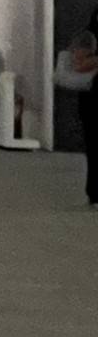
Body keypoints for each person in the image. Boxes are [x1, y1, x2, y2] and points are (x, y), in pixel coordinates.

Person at [72, 10, 98, 206]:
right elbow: (79, 65)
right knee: (93, 146)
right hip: (92, 100)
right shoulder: (87, 38)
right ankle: (94, 190)